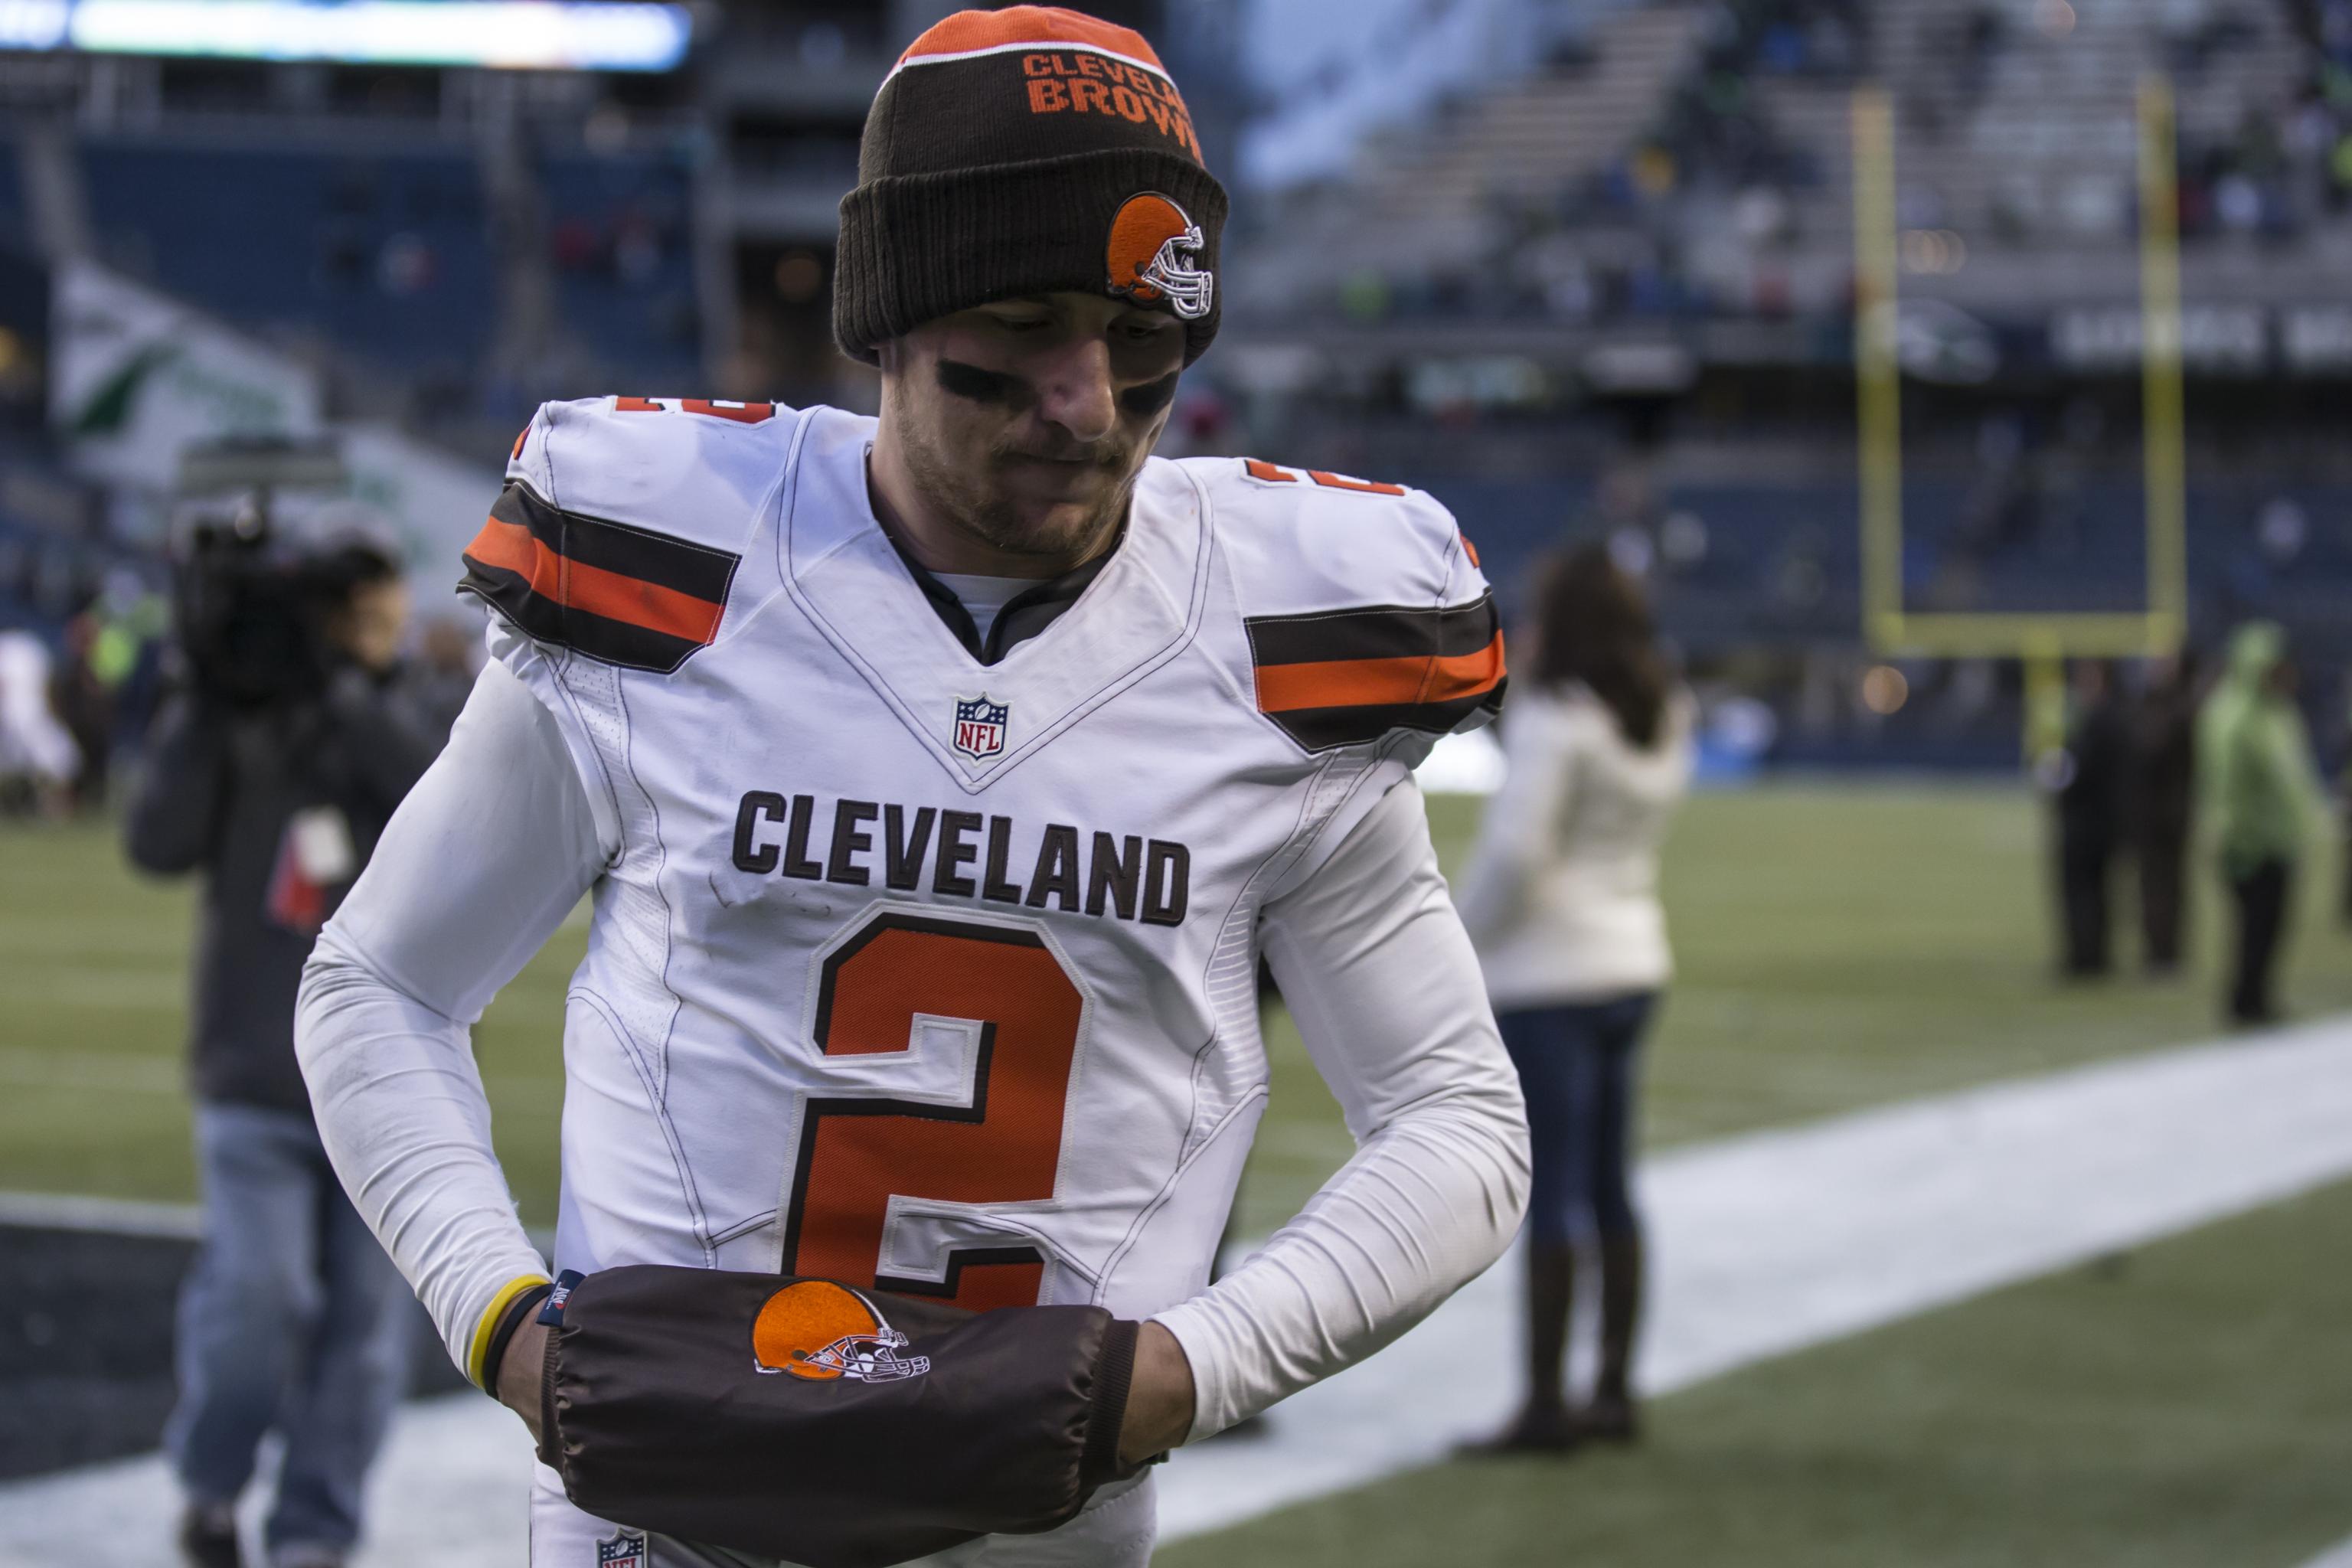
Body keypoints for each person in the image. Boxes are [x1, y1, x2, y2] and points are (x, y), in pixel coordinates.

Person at [293, 10, 1530, 1566]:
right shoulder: (679, 562)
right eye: (1018, 326)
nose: (1083, 402)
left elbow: (1455, 1118)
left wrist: (1182, 1371)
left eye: (1140, 338)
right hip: (662, 1525)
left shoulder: (1280, 635)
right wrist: (506, 1324)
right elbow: (380, 985)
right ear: (886, 317)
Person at [126, 538, 443, 1568]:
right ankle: (211, 1489)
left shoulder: (417, 711)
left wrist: (338, 691)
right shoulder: (237, 709)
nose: (382, 635)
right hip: (255, 1074)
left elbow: (440, 808)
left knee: (359, 1338)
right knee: (256, 1296)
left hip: (390, 1082)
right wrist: (202, 700)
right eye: (360, 622)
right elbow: (155, 843)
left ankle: (313, 1537)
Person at [1452, 544, 1694, 1453]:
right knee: (1610, 1189)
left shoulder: (1559, 714)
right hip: (1634, 959)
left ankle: (1547, 1405)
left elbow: (1518, 854)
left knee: (1552, 1191)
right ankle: (1615, 1389)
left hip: (1552, 973)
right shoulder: (1663, 705)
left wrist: (1457, 936)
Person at [2196, 622, 2324, 1026]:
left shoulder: (2281, 714)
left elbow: (2295, 777)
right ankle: (2244, 1002)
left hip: (2280, 841)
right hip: (2247, 843)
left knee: (2272, 927)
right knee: (2253, 927)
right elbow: (2223, 785)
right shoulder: (2232, 716)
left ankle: (2259, 998)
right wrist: (2231, 835)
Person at [2053, 659, 2128, 978]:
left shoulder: (2099, 721)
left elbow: (2082, 772)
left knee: (2083, 892)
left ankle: (2085, 959)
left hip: (2088, 822)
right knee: (2098, 893)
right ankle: (2095, 956)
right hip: (2103, 820)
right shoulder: (2110, 717)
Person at [2128, 649, 2200, 975]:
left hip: (2162, 814)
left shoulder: (2174, 709)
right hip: (2165, 811)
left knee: (2161, 887)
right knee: (2163, 886)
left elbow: (2149, 751)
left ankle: (2162, 954)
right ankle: (2163, 952)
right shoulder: (2174, 705)